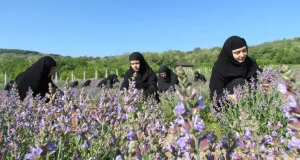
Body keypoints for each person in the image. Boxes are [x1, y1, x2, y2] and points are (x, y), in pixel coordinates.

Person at [209, 36, 263, 107]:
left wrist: (261, 84)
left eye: (244, 50)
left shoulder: (249, 62)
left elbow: (257, 77)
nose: (242, 55)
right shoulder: (219, 67)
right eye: (237, 52)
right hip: (226, 105)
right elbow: (214, 95)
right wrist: (230, 97)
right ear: (229, 53)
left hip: (248, 100)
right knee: (240, 81)